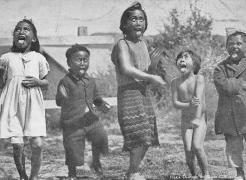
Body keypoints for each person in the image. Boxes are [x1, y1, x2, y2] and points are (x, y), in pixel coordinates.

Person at [111, 2, 166, 180]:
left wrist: (154, 65)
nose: (138, 22)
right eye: (133, 19)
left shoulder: (144, 43)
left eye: (141, 19)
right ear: (125, 24)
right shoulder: (122, 44)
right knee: (139, 136)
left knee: (148, 136)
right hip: (128, 94)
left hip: (143, 93)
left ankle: (131, 171)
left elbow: (146, 74)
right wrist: (151, 77)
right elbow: (127, 69)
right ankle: (133, 172)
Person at [0, 19, 50, 180]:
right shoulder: (6, 58)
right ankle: (23, 176)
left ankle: (34, 176)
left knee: (37, 144)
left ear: (34, 38)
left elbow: (46, 81)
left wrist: (38, 82)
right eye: (17, 29)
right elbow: (0, 85)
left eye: (26, 29)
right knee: (17, 145)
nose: (21, 31)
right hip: (13, 106)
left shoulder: (38, 57)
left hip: (33, 106)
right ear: (14, 36)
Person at [213, 29, 246, 180]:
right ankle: (239, 173)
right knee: (233, 145)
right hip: (229, 114)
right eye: (230, 43)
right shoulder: (220, 68)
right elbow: (223, 86)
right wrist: (243, 84)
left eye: (239, 43)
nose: (234, 46)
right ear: (226, 47)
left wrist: (235, 86)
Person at [56, 44, 110, 180]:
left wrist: (102, 105)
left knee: (101, 136)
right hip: (72, 122)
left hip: (90, 119)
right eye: (78, 60)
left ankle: (96, 162)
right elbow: (59, 101)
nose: (82, 63)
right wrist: (62, 95)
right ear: (69, 62)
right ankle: (72, 173)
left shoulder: (91, 81)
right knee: (73, 149)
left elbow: (96, 98)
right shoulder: (65, 81)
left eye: (85, 60)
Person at [171, 50, 211, 180]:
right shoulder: (175, 82)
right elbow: (176, 103)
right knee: (188, 149)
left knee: (197, 146)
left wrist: (197, 119)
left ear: (194, 64)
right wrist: (189, 104)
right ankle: (194, 175)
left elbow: (198, 102)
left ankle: (206, 174)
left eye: (185, 58)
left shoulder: (199, 79)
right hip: (185, 120)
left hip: (199, 118)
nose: (181, 60)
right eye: (179, 58)